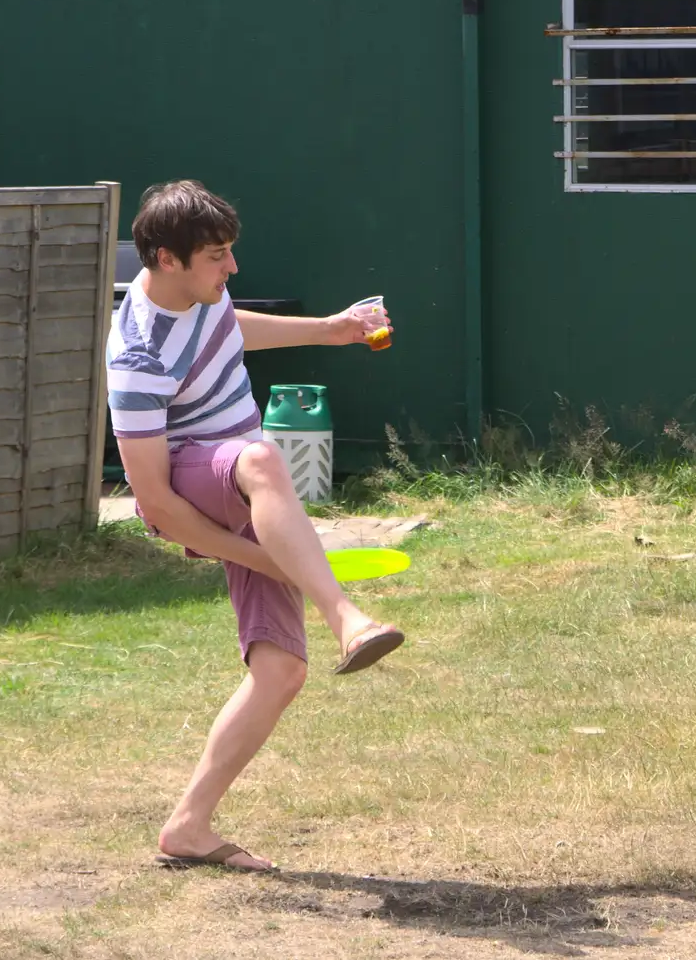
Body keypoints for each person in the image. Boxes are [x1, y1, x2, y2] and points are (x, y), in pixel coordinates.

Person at [106, 180, 405, 873]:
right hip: (195, 483)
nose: (232, 269)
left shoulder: (201, 298)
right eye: (217, 256)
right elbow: (154, 504)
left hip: (244, 481)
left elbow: (228, 327)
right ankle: (347, 616)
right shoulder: (137, 357)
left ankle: (188, 824)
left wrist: (335, 329)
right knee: (265, 457)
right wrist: (260, 556)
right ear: (165, 258)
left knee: (281, 670)